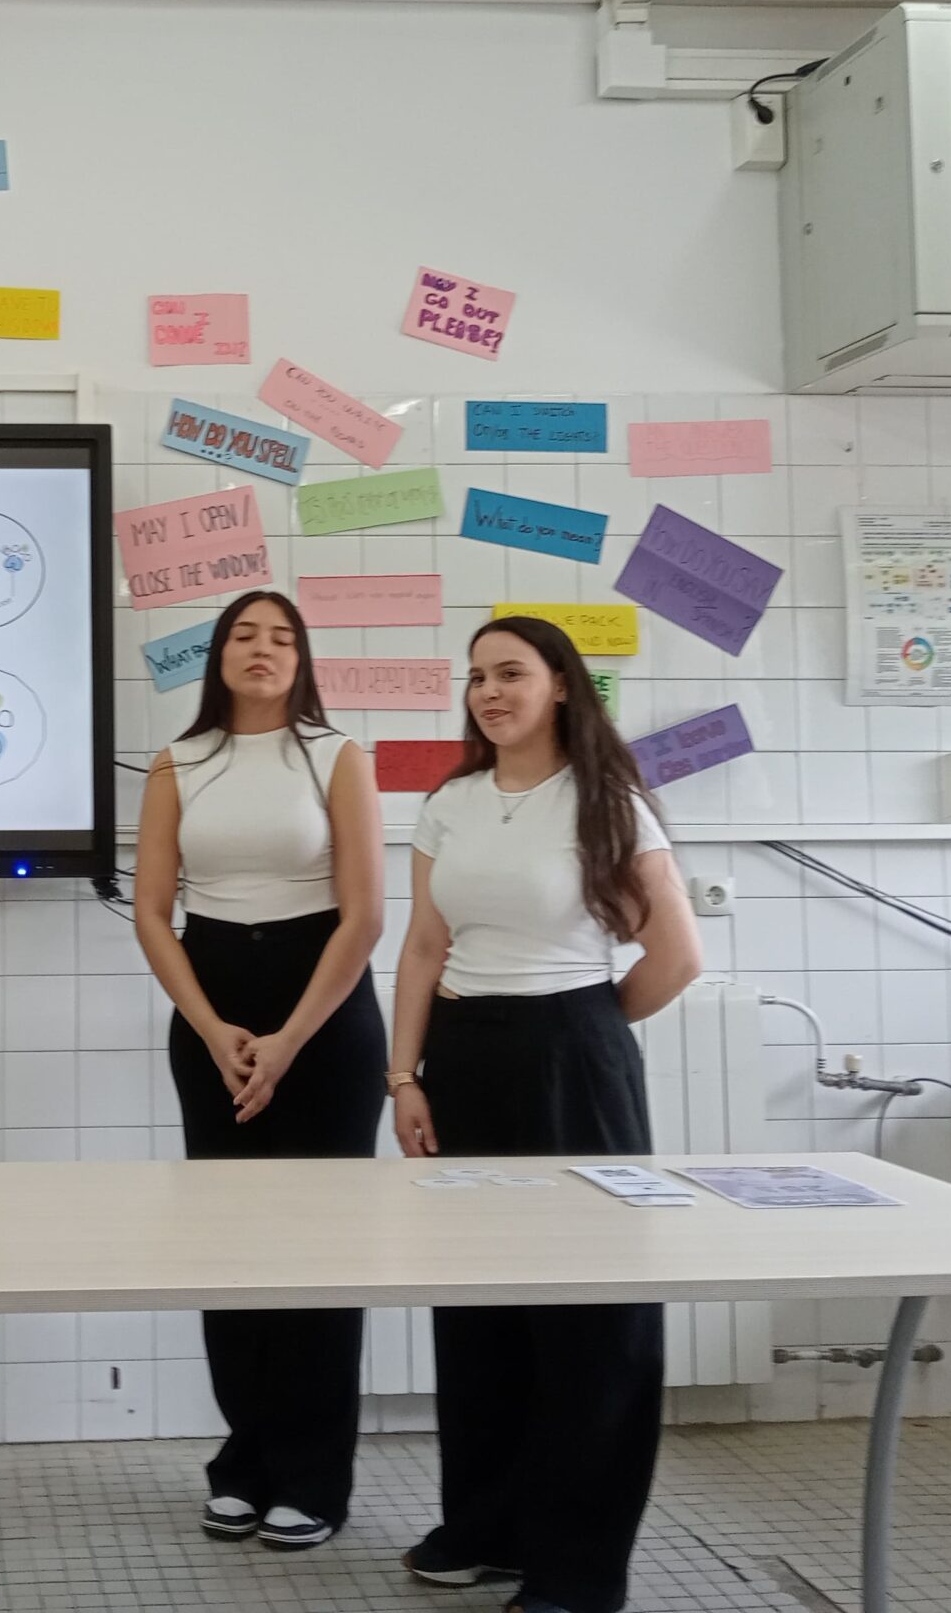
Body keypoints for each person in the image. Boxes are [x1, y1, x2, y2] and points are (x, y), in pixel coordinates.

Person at [386, 616, 702, 1613]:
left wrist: (585, 1028)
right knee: (479, 1309)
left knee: (592, 1319)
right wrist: (404, 1077)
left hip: (574, 1057)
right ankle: (487, 1528)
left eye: (510, 672)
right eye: (476, 676)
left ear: (561, 683)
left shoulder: (608, 802)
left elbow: (676, 955)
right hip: (462, 1059)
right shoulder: (450, 802)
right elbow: (424, 946)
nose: (488, 691)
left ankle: (578, 1567)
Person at [131, 587, 387, 1550]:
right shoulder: (179, 760)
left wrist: (288, 1040)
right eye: (244, 634)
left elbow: (365, 915)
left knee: (320, 1251)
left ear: (302, 659)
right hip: (214, 1004)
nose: (262, 648)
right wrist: (210, 1027)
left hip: (324, 1007)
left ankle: (314, 1477)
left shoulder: (337, 755)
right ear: (220, 655)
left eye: (282, 637)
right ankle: (244, 1460)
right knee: (228, 1245)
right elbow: (153, 911)